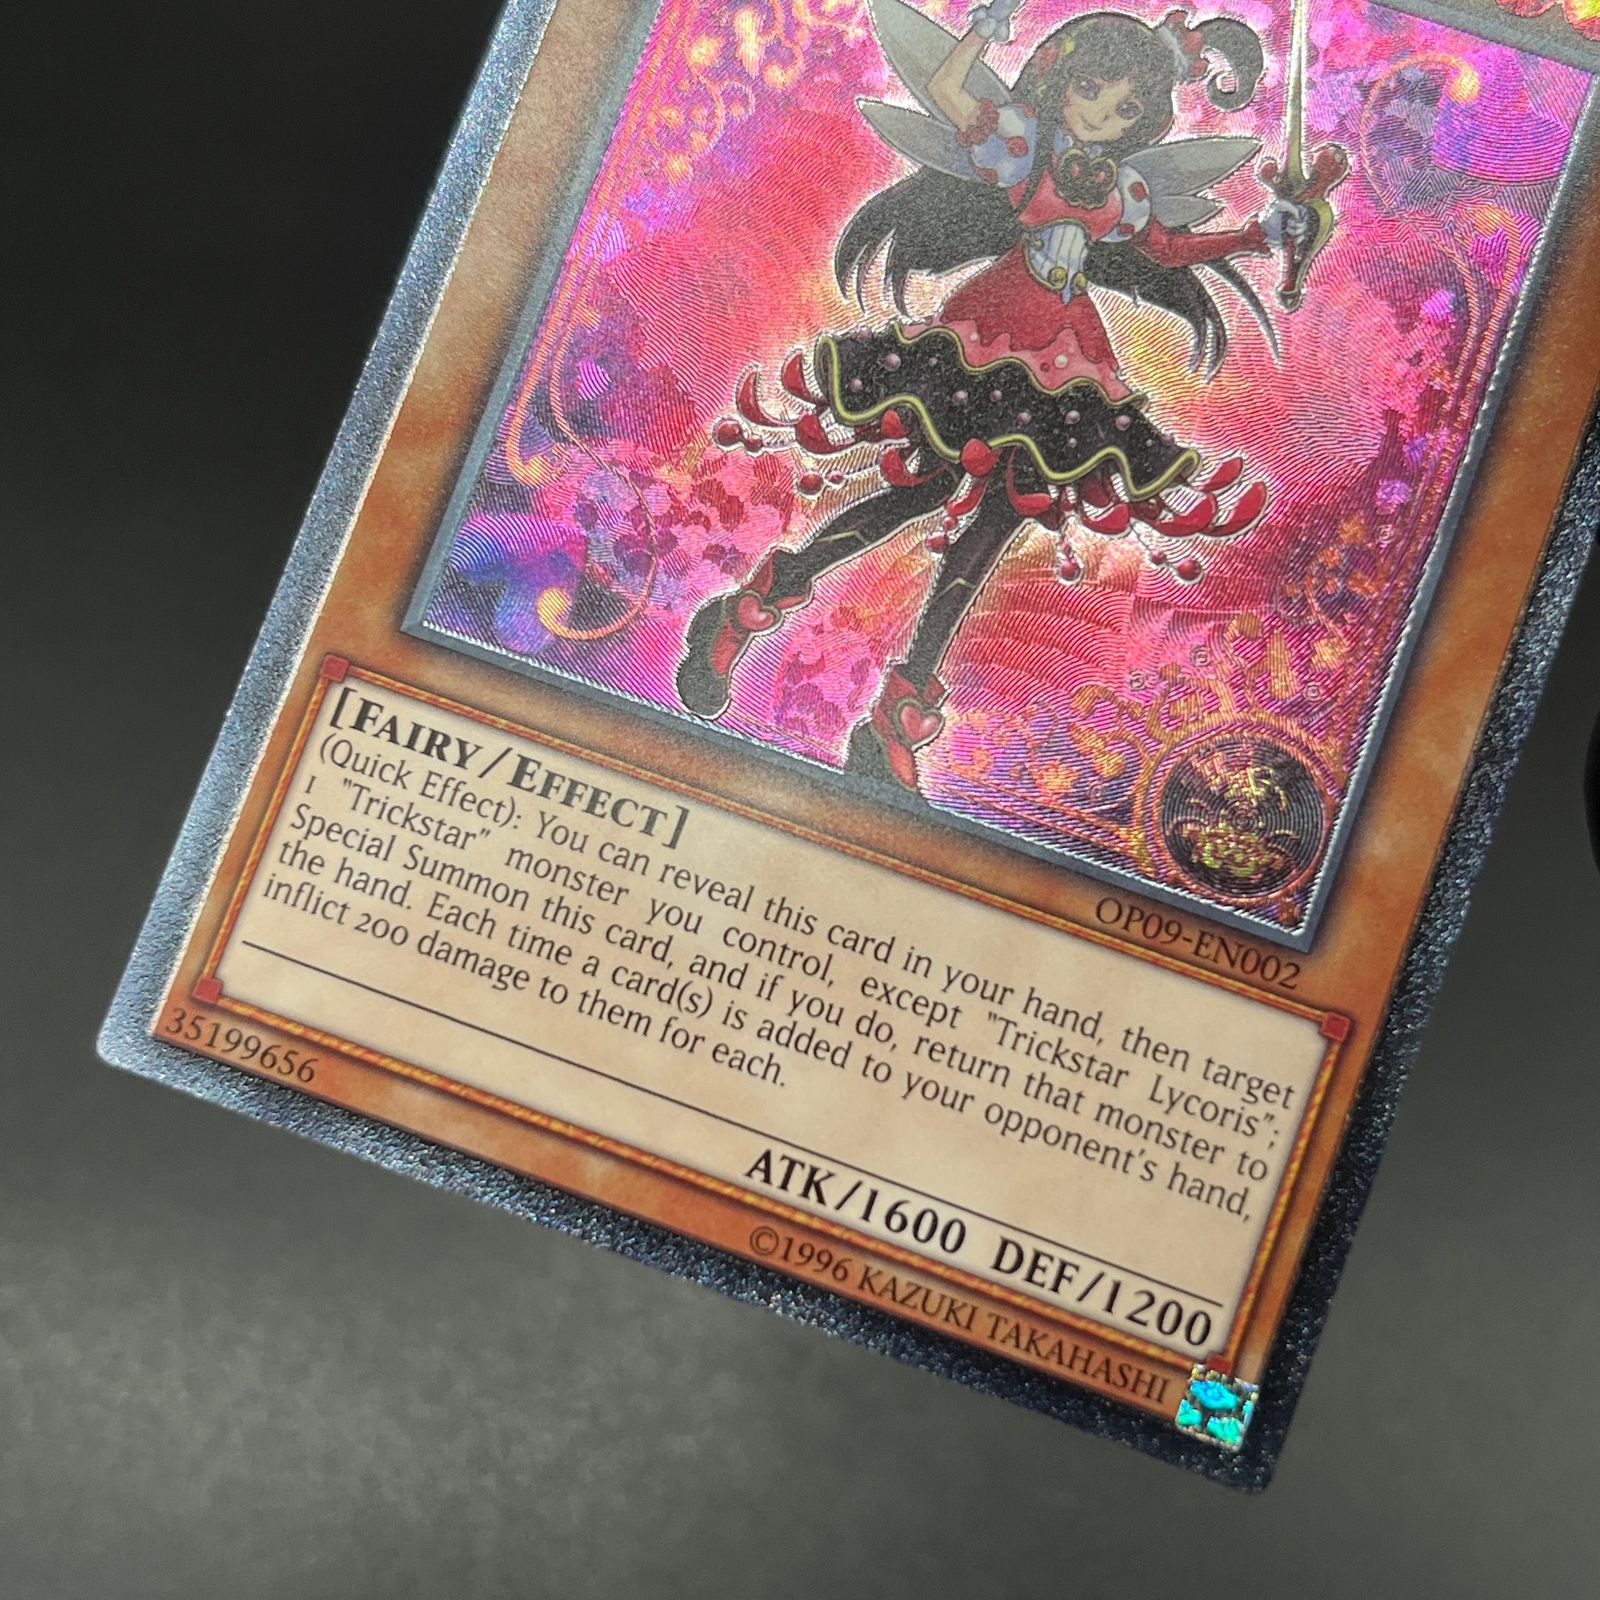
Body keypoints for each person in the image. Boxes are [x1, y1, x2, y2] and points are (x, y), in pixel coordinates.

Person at [678, 1, 1308, 794]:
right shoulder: (1025, 144)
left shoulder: (1126, 187)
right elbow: (949, 92)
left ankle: (899, 709)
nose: (1104, 115)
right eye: (1092, 92)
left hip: (1071, 353)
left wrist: (1262, 235)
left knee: (1001, 520)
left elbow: (1171, 249)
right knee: (924, 488)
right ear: (1059, 80)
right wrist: (984, 28)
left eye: (1126, 108)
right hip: (991, 334)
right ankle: (756, 603)